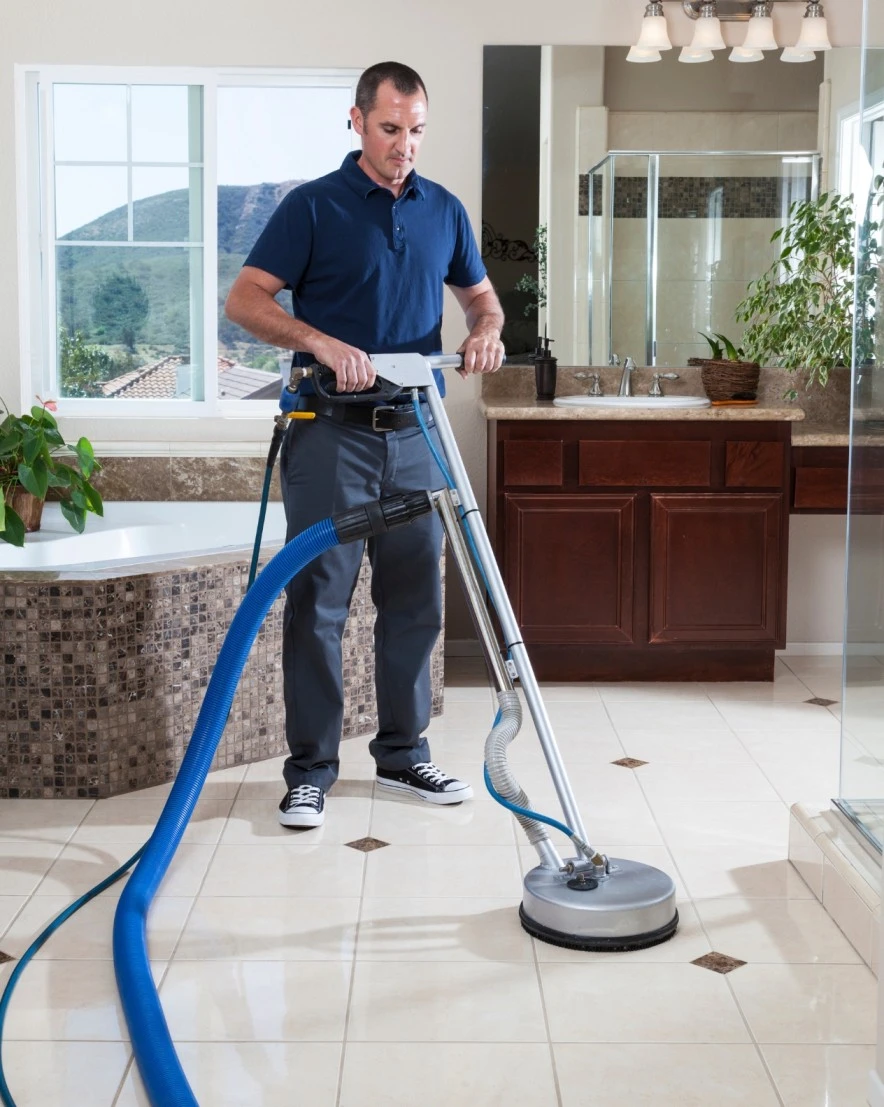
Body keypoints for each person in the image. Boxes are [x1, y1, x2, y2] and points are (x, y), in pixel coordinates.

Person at [225, 61, 505, 829]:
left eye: (416, 131)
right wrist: (318, 340)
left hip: (417, 432)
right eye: (389, 129)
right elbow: (244, 297)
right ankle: (311, 769)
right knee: (317, 601)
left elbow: (481, 296)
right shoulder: (312, 206)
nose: (403, 145)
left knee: (415, 598)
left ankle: (404, 753)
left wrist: (486, 329)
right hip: (331, 438)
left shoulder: (443, 209)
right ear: (356, 122)